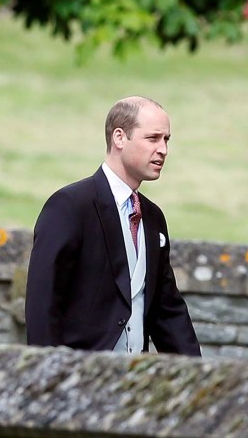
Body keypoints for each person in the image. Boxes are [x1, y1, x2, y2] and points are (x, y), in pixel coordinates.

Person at [25, 96, 201, 356]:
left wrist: (197, 377)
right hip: (76, 379)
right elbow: (43, 301)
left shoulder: (153, 218)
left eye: (166, 140)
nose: (163, 149)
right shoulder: (70, 206)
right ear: (119, 137)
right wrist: (48, 377)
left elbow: (167, 310)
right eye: (153, 138)